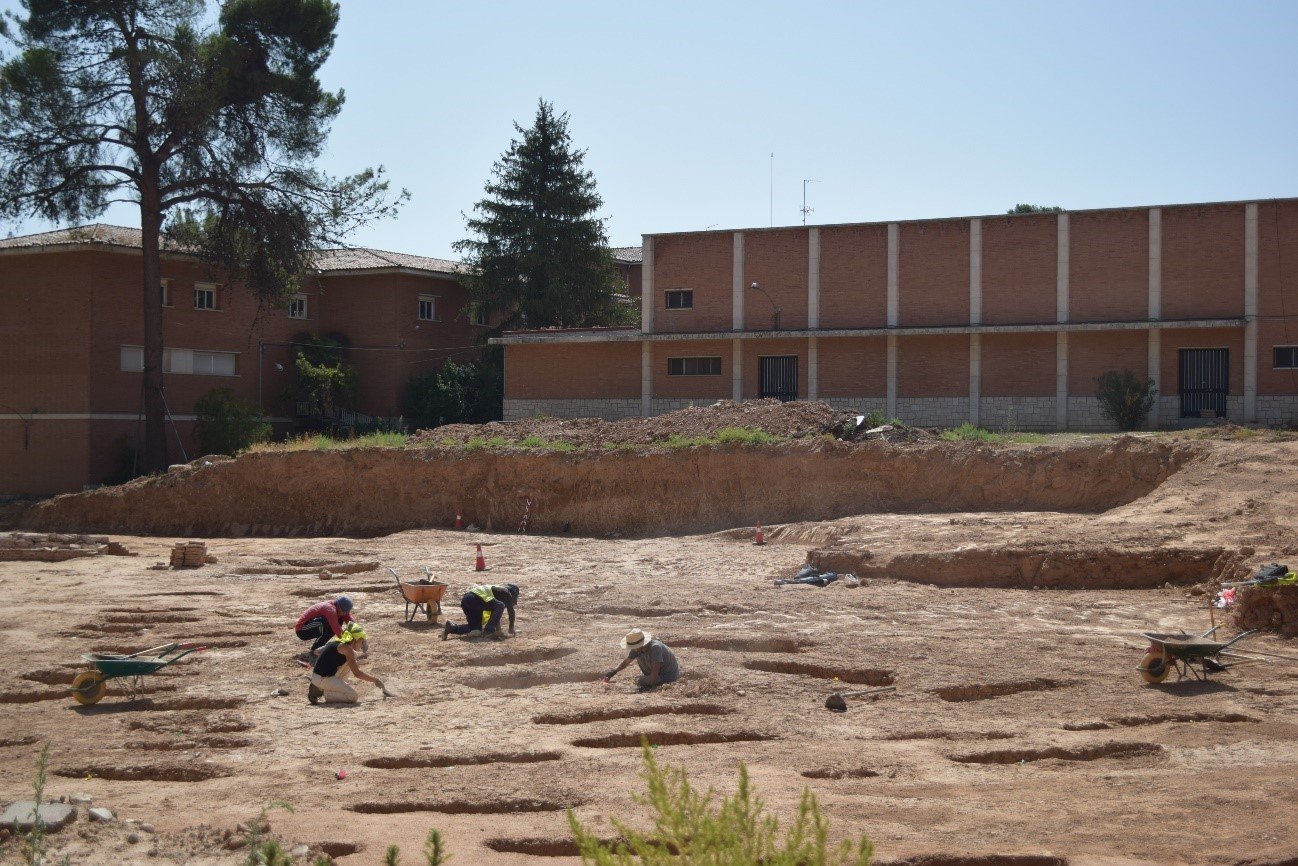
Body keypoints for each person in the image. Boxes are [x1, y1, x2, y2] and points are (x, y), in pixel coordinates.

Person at [308, 623, 388, 704]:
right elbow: (357, 674)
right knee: (353, 697)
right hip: (322, 679)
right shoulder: (347, 649)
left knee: (353, 658)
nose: (362, 644)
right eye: (361, 640)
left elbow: (318, 652)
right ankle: (326, 693)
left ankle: (327, 688)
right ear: (355, 639)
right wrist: (375, 680)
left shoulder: (340, 644)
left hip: (320, 677)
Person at [604, 628, 680, 689]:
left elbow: (654, 675)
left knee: (640, 680)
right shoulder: (637, 649)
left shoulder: (655, 648)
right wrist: (613, 671)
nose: (633, 649)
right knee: (641, 680)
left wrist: (645, 682)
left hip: (668, 676)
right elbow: (626, 662)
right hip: (656, 676)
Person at [442, 583, 519, 641]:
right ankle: (489, 631)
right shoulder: (506, 593)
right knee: (501, 605)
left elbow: (495, 614)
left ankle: (452, 628)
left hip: (467, 601)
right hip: (475, 599)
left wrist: (498, 630)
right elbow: (511, 611)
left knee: (476, 630)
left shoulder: (497, 593)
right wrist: (511, 627)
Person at [294, 596, 355, 661]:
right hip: (302, 629)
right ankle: (313, 653)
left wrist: (359, 634)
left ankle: (316, 651)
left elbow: (351, 622)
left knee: (339, 621)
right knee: (324, 623)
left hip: (313, 626)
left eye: (346, 612)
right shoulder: (330, 608)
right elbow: (337, 629)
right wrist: (348, 643)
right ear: (339, 607)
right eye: (344, 611)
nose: (345, 614)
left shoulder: (340, 608)